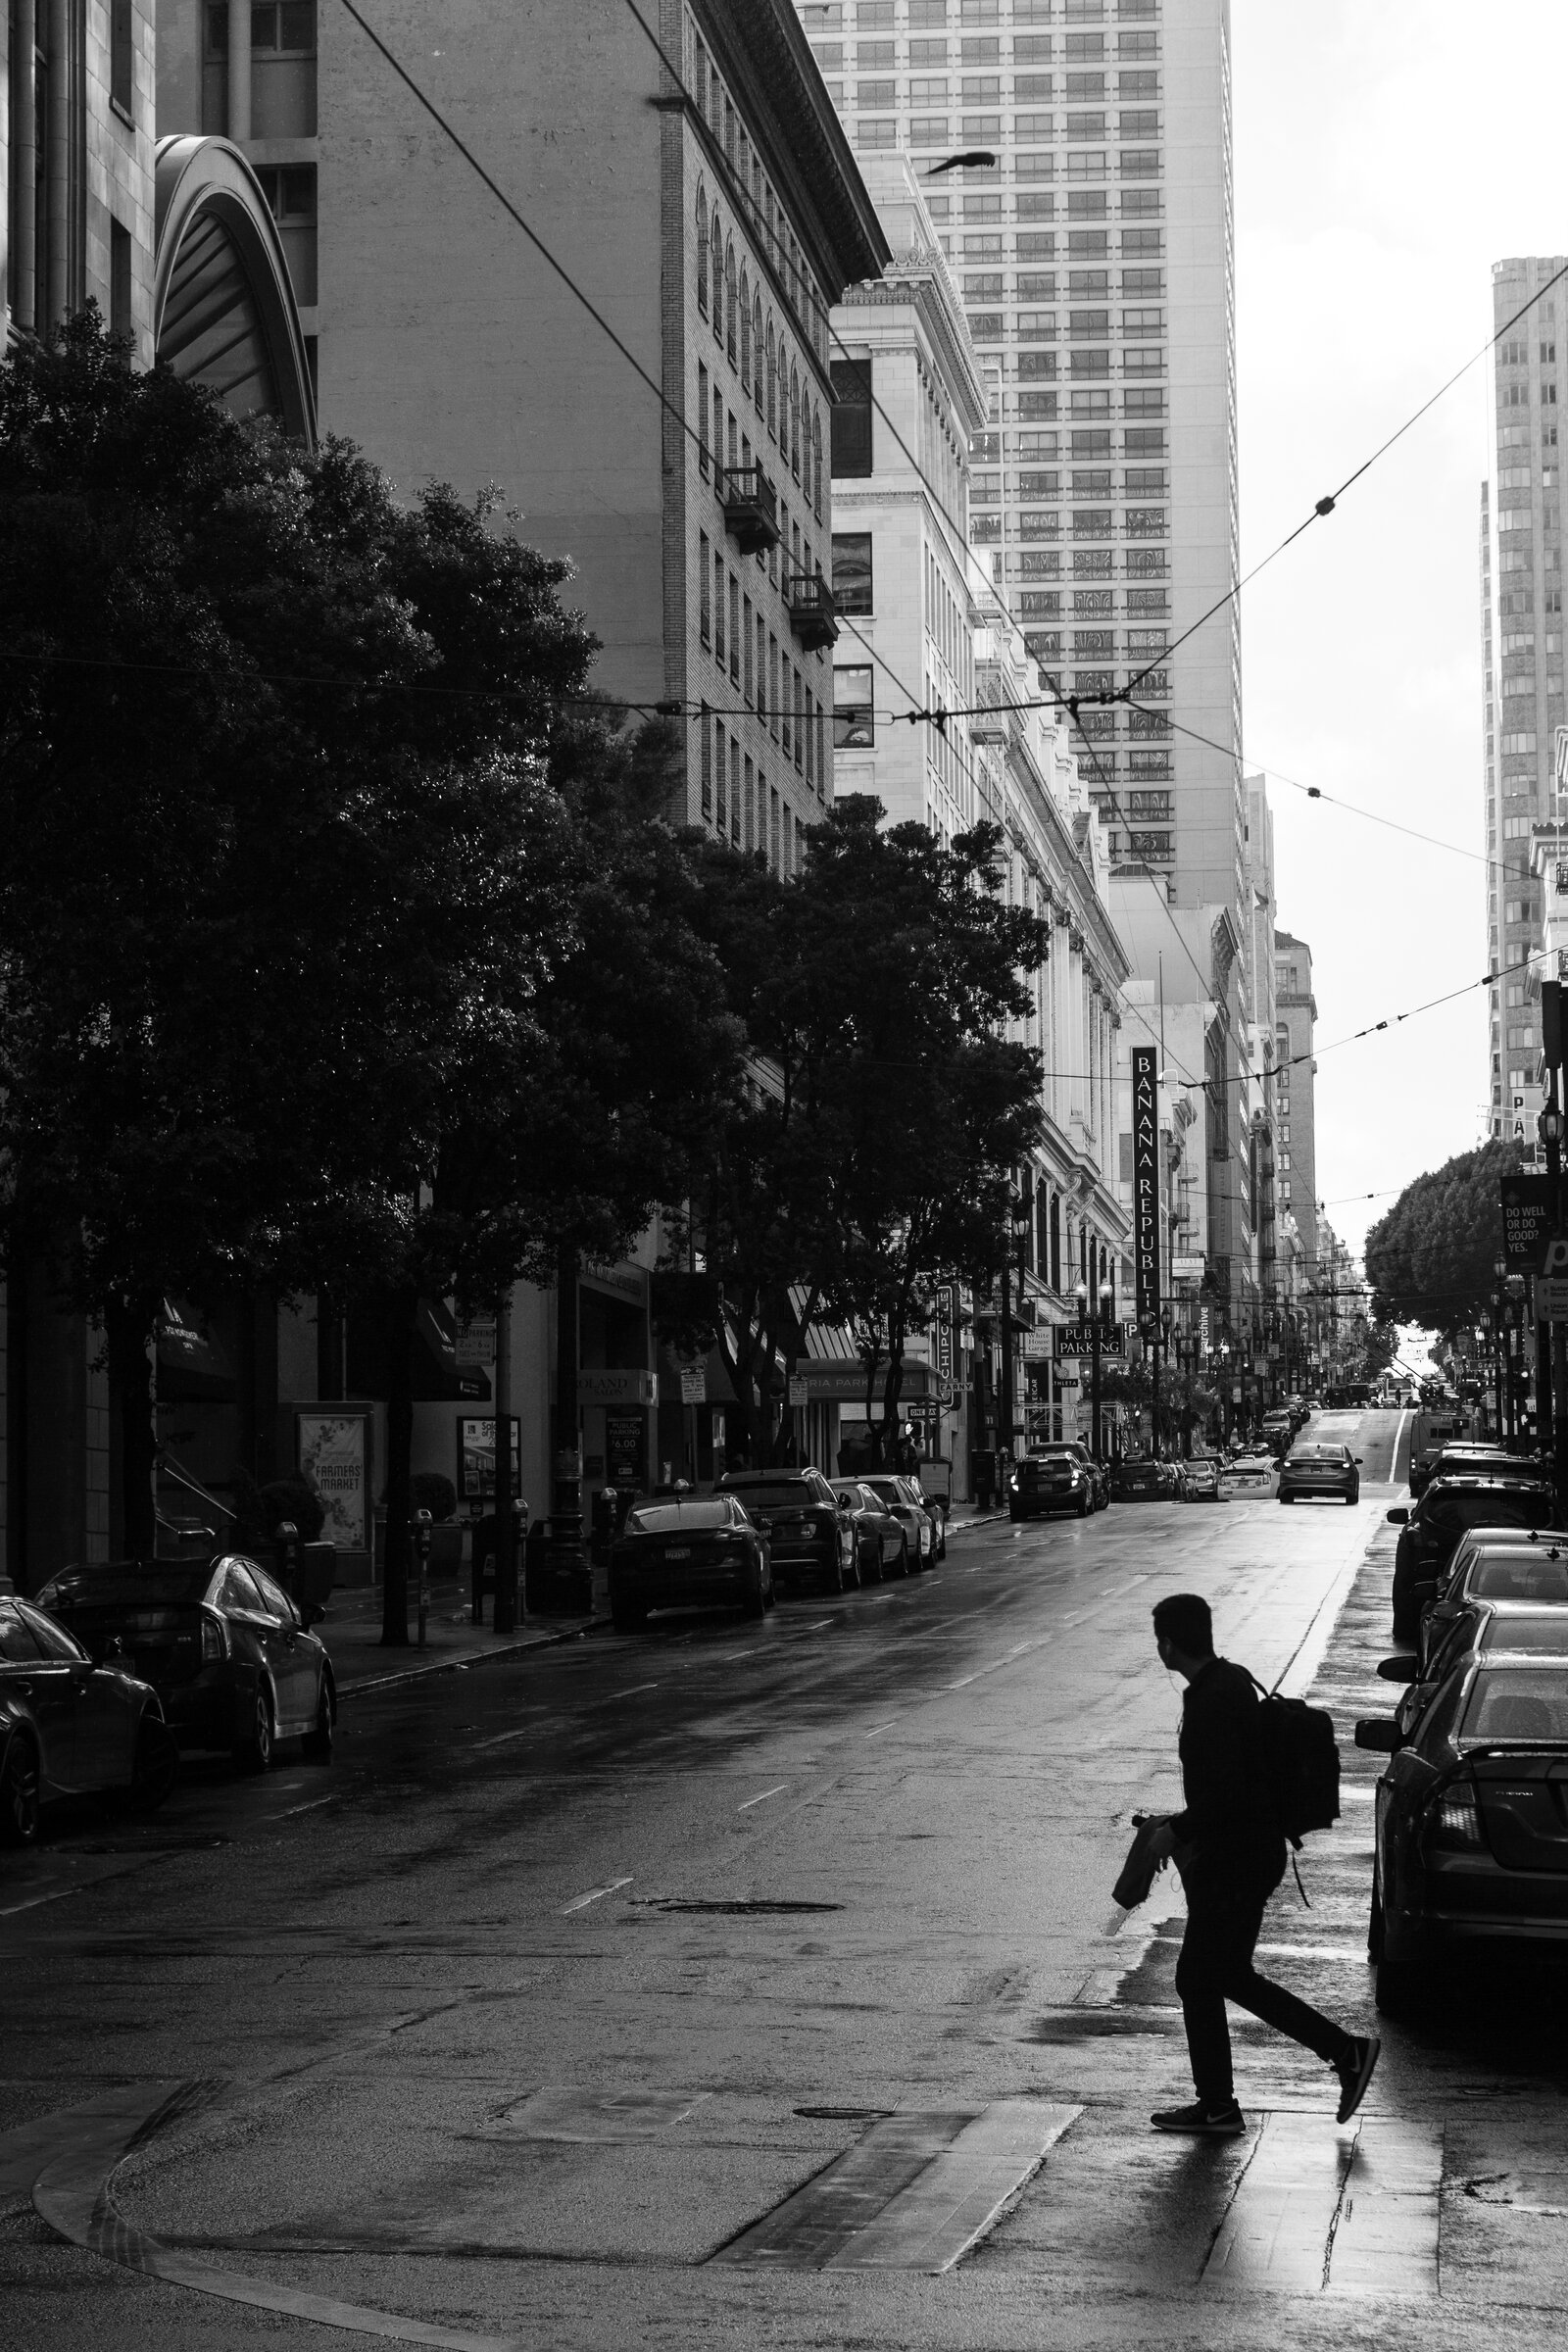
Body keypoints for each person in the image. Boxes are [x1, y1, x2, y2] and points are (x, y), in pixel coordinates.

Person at [1143, 1592, 1379, 2136]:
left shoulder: (1211, 1699)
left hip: (1236, 1860)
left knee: (1198, 1978)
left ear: (1168, 1645)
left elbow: (1228, 1791)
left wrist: (1176, 1830)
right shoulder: (1230, 1680)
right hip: (1249, 1852)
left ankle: (1223, 2104)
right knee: (1223, 1975)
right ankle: (1340, 2056)